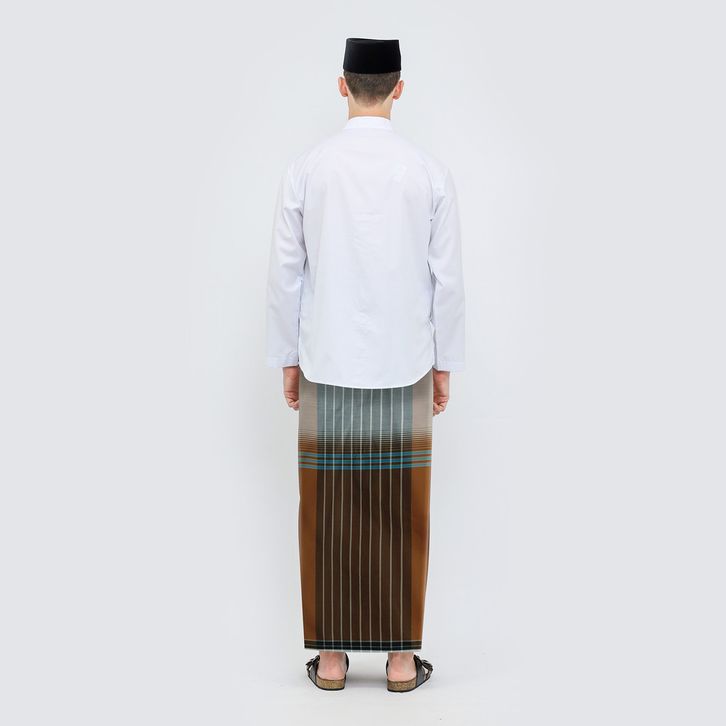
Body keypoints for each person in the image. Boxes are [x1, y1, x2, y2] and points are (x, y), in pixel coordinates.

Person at [265, 37, 465, 693]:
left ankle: (330, 661)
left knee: (327, 508)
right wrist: (444, 363)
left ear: (342, 84)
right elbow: (447, 280)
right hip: (406, 360)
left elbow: (286, 274)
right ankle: (401, 662)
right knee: (404, 508)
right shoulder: (428, 172)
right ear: (399, 88)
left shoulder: (307, 169)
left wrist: (287, 359)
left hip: (326, 358)